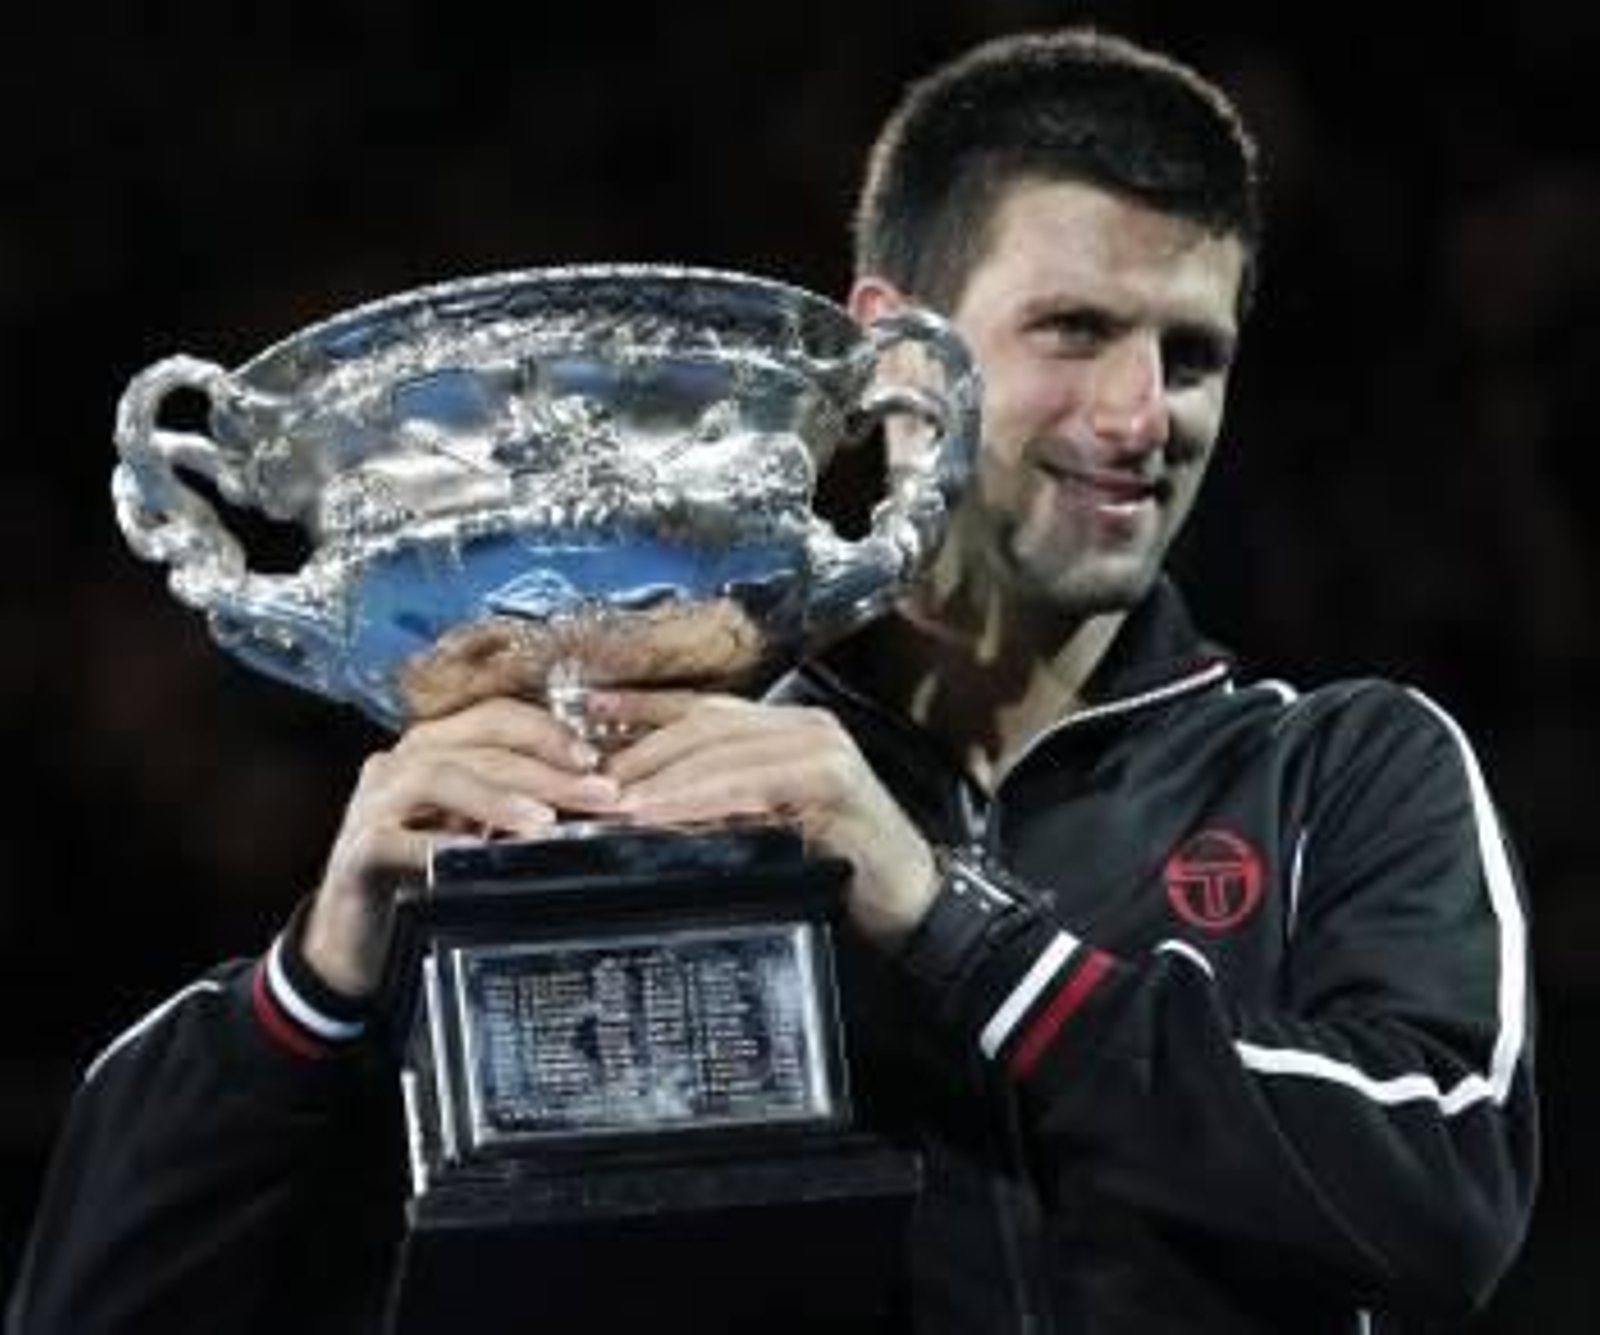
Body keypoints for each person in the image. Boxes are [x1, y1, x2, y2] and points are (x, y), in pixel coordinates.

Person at [8, 25, 1537, 1335]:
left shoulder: (1347, 772)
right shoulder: (650, 776)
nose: (1142, 415)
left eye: (1190, 355)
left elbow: (1447, 1197)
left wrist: (953, 929)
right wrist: (321, 980)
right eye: (1074, 331)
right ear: (903, 361)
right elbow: (91, 1300)